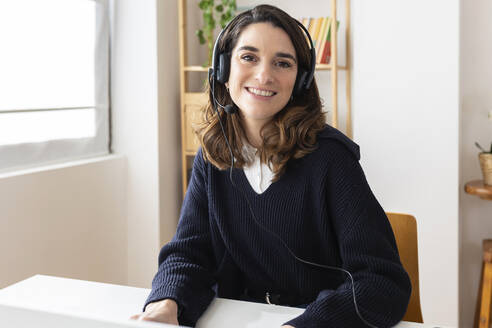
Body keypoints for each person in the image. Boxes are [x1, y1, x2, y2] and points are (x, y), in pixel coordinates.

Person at [130, 4, 411, 328]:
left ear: (301, 79)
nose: (264, 75)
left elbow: (382, 284)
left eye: (283, 63)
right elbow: (190, 254)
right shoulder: (215, 154)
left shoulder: (332, 160)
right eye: (249, 57)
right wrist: (168, 304)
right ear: (223, 69)